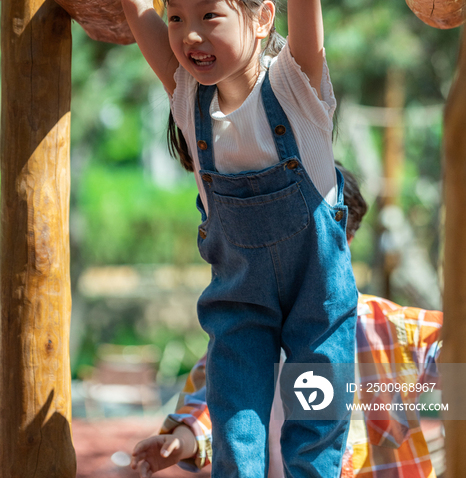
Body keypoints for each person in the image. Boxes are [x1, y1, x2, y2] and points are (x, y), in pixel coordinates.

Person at [122, 0, 358, 478]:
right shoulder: (185, 94)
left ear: (261, 20)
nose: (188, 35)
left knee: (316, 427)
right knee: (236, 428)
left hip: (317, 300)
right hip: (239, 300)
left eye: (210, 16)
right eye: (177, 19)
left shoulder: (295, 86)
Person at [130, 166, 443, 478]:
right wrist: (180, 441)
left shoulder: (386, 326)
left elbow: (444, 346)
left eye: (302, 242)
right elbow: (215, 408)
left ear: (343, 239)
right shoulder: (244, 330)